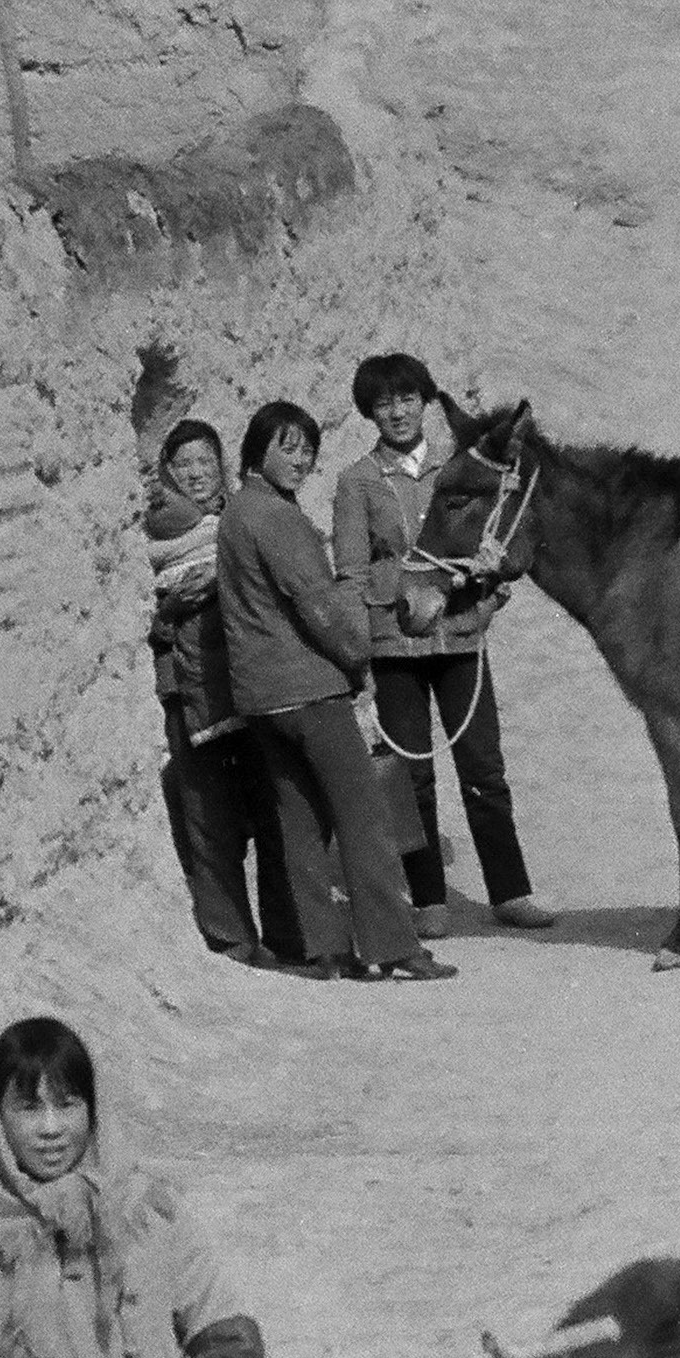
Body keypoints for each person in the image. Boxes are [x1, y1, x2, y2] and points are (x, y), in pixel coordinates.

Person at [213, 400, 452, 984]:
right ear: (257, 450)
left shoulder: (238, 512)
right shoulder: (272, 516)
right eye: (287, 447)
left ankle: (323, 951)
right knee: (364, 817)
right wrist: (357, 659)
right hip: (309, 692)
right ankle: (395, 947)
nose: (301, 460)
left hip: (262, 698)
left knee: (297, 823)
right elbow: (316, 603)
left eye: (307, 449)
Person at [0, 1013, 265, 1358]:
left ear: (93, 1108)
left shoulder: (146, 1213)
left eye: (67, 1105)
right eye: (29, 1109)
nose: (51, 1128)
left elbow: (227, 1338)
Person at [331, 352, 554, 941]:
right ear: (369, 413)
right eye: (384, 403)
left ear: (425, 402)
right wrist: (358, 656)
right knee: (413, 775)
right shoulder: (357, 481)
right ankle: (429, 897)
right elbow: (351, 574)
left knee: (484, 768)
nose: (398, 412)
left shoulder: (460, 468)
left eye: (407, 399)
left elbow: (491, 543)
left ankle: (511, 891)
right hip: (392, 643)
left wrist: (487, 594)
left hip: (459, 636)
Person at [145, 419, 303, 969]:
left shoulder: (245, 519)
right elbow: (139, 621)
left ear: (222, 466)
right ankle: (231, 938)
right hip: (188, 691)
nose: (195, 473)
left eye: (205, 461)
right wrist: (169, 611)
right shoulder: (151, 540)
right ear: (168, 472)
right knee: (209, 816)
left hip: (253, 686)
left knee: (274, 811)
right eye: (182, 464)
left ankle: (289, 935)